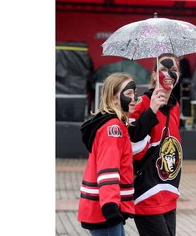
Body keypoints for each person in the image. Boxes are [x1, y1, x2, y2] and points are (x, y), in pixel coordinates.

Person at [128, 53, 182, 236]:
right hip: (147, 193)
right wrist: (152, 109)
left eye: (173, 70)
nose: (168, 73)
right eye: (163, 69)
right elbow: (131, 140)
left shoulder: (175, 106)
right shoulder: (142, 102)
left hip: (169, 191)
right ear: (153, 74)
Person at [78, 72, 138, 236]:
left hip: (104, 208)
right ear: (113, 99)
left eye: (135, 93)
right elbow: (108, 169)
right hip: (104, 211)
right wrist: (111, 207)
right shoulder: (113, 128)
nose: (134, 98)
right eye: (128, 94)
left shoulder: (114, 124)